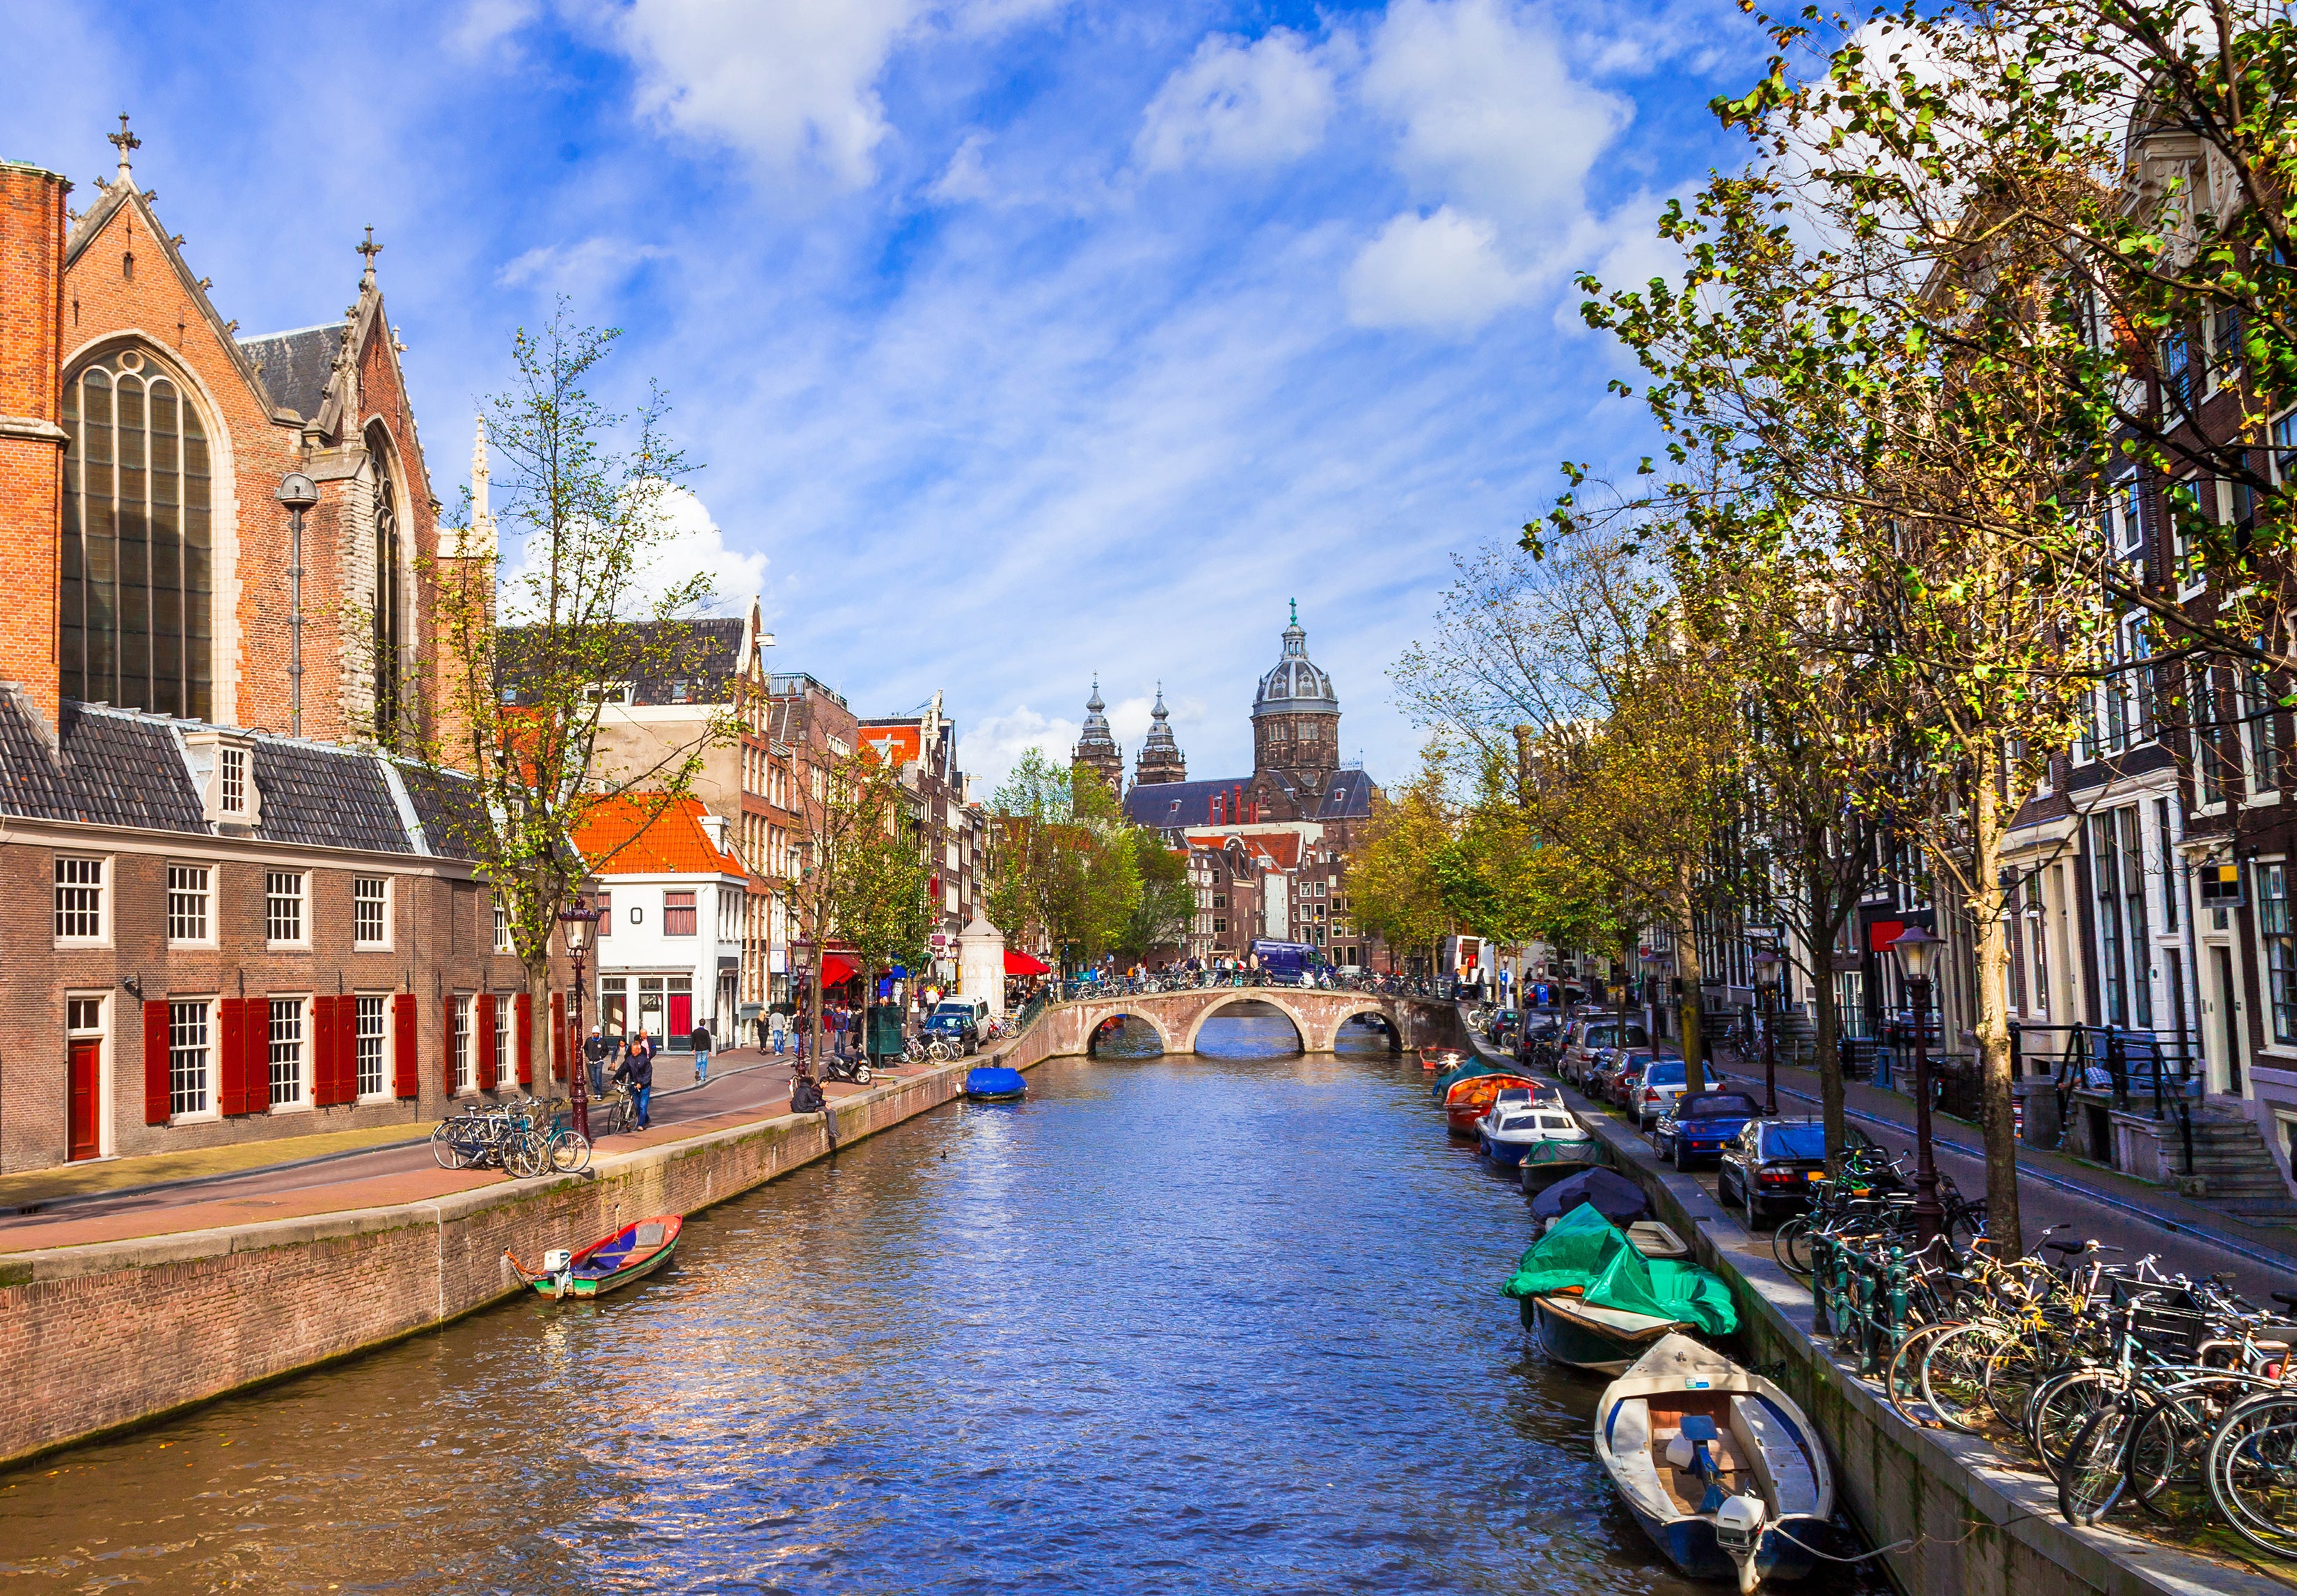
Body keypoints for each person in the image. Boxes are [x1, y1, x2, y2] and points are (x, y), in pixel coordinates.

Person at [611, 1036, 655, 1130]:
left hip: (644, 1086)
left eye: (635, 1050)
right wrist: (615, 1079)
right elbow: (623, 1069)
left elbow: (648, 1074)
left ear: (639, 1050)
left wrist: (642, 1084)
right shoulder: (629, 1060)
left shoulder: (645, 1060)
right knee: (637, 1106)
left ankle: (641, 1125)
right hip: (634, 1085)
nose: (633, 1052)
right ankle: (646, 1119)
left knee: (643, 1106)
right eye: (632, 1050)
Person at [583, 1026, 610, 1098]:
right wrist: (589, 1056)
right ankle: (596, 1093)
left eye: (597, 1033)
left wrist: (601, 1057)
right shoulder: (589, 1041)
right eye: (594, 1033)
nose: (595, 1035)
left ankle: (600, 1093)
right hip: (592, 1062)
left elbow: (606, 1051)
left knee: (598, 1078)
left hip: (599, 1062)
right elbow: (585, 1049)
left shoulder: (602, 1041)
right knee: (594, 1079)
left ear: (598, 1034)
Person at [690, 1020, 713, 1085]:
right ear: (704, 1024)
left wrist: (693, 1049)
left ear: (699, 1023)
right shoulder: (706, 1032)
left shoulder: (695, 1032)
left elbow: (693, 1041)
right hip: (705, 1049)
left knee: (698, 1061)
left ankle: (697, 1069)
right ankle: (703, 1077)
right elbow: (708, 1042)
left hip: (698, 1049)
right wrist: (710, 1050)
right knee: (704, 1063)